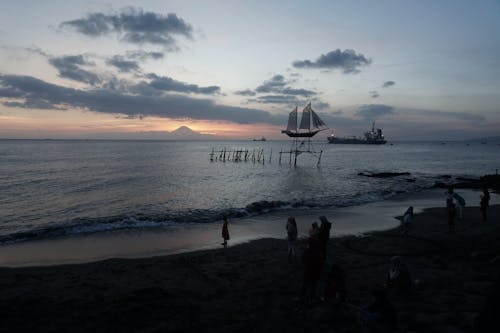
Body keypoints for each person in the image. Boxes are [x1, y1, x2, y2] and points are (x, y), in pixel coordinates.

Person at [300, 236, 323, 304]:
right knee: (313, 285)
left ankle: (302, 296)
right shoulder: (318, 253)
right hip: (315, 272)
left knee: (305, 284)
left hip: (307, 271)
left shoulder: (307, 252)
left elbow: (302, 260)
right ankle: (311, 298)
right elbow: (321, 263)